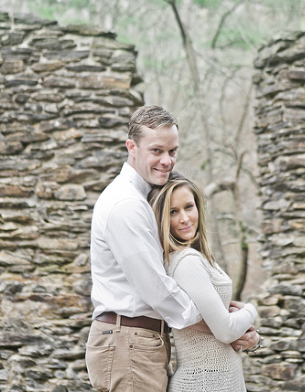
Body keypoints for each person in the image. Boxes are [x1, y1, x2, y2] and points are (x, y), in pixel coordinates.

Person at [85, 105, 258, 392]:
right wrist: (225, 325)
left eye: (172, 151)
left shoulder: (143, 200)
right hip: (128, 341)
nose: (167, 161)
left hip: (140, 341)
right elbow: (157, 289)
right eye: (156, 151)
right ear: (132, 147)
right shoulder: (126, 205)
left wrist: (227, 324)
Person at [148, 174, 259, 392]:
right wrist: (251, 310)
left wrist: (252, 337)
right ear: (161, 219)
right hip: (203, 382)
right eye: (173, 211)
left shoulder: (197, 257)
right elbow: (225, 331)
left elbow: (219, 324)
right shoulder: (187, 261)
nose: (184, 218)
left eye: (188, 207)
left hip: (219, 380)